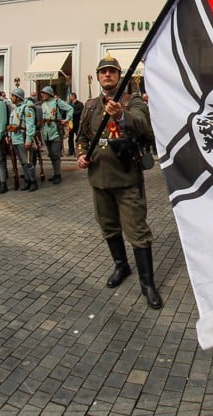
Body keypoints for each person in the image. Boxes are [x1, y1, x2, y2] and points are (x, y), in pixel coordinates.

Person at [77, 53, 162, 310]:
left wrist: (121, 115)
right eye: (103, 72)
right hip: (99, 179)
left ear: (119, 75)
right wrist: (81, 154)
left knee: (137, 232)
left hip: (127, 180)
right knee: (109, 227)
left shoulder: (131, 100)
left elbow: (144, 126)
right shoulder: (91, 105)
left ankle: (147, 283)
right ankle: (121, 267)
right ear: (99, 75)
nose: (107, 75)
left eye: (112, 71)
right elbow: (82, 136)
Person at [39, 86, 73, 184]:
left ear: (49, 94)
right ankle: (55, 173)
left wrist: (67, 119)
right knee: (51, 155)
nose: (42, 95)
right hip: (46, 132)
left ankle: (58, 174)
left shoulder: (57, 102)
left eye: (44, 93)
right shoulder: (43, 104)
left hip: (56, 131)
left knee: (56, 154)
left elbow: (70, 109)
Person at [9, 87, 39, 192]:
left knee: (28, 162)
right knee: (22, 162)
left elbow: (30, 126)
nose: (11, 98)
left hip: (23, 139)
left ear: (17, 98)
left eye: (13, 96)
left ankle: (33, 182)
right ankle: (27, 180)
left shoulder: (27, 108)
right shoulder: (15, 109)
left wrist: (29, 140)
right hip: (15, 139)